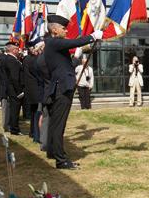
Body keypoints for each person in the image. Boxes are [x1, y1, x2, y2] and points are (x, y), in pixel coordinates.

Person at [43, 15, 103, 169]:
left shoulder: (53, 44)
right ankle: (61, 160)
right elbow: (73, 42)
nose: (66, 31)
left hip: (61, 87)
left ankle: (53, 152)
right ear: (54, 30)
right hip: (62, 89)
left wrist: (76, 57)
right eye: (63, 28)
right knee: (59, 125)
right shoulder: (54, 42)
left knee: (55, 124)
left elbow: (65, 66)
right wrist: (92, 36)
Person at [0, 42, 25, 135]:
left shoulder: (10, 59)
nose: (19, 50)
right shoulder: (11, 60)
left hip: (12, 89)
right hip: (14, 90)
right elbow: (14, 77)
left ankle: (14, 128)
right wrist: (19, 91)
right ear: (13, 50)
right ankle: (14, 129)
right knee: (15, 110)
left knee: (14, 110)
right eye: (17, 49)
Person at [23, 42, 42, 143]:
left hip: (30, 90)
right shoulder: (34, 59)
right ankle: (36, 134)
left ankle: (32, 132)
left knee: (34, 113)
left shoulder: (26, 59)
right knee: (37, 113)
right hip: (36, 89)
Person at [0, 51, 9, 132]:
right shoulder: (1, 66)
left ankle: (5, 125)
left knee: (5, 109)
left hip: (2, 90)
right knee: (5, 110)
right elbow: (4, 79)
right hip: (4, 90)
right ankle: (5, 126)